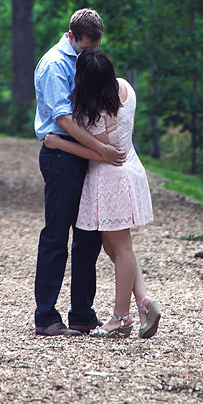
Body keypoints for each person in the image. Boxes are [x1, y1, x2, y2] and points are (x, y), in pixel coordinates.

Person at [44, 48, 162, 340]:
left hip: (110, 180)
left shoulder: (91, 112)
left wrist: (58, 144)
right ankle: (144, 302)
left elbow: (99, 153)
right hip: (131, 171)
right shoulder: (126, 88)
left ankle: (121, 318)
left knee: (121, 249)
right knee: (115, 249)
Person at [33, 8, 125, 337]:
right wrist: (101, 149)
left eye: (95, 49)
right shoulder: (55, 65)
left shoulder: (82, 58)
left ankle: (83, 313)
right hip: (62, 156)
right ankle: (45, 316)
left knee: (88, 236)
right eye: (86, 48)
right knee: (57, 234)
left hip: (85, 155)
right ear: (71, 36)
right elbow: (64, 120)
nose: (90, 54)